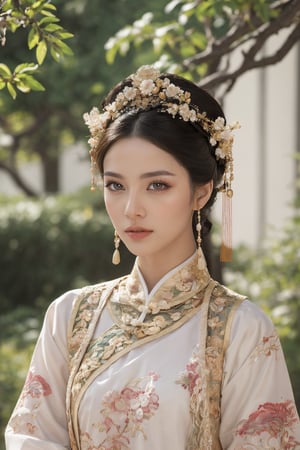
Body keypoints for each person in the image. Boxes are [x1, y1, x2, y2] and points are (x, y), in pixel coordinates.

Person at [5, 64, 300, 450]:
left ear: (201, 192)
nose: (131, 209)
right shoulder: (71, 316)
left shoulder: (241, 331)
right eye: (115, 185)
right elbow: (31, 438)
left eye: (157, 185)